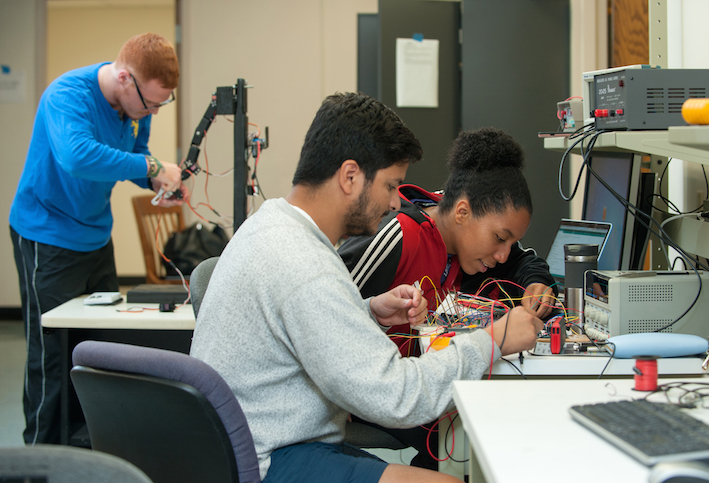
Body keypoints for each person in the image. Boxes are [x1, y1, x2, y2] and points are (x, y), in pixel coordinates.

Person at [189, 92, 543, 483]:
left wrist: (368, 310)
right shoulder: (305, 264)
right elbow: (400, 398)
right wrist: (493, 339)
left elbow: (305, 324)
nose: (395, 203)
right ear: (350, 176)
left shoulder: (272, 225)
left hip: (251, 443)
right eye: (391, 186)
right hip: (268, 460)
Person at [337, 127, 557, 469]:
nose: (502, 255)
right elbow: (330, 310)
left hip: (413, 387)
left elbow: (522, 259)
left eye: (509, 243)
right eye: (500, 238)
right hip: (371, 397)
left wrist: (537, 282)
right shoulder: (398, 235)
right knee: (463, 443)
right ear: (462, 213)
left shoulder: (458, 234)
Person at [9, 32, 184, 445]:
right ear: (125, 78)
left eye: (162, 103)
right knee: (52, 357)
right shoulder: (66, 95)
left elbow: (134, 159)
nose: (154, 111)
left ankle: (90, 449)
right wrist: (152, 164)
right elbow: (78, 156)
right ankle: (42, 459)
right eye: (151, 102)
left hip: (94, 237)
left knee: (97, 347)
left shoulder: (136, 106)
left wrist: (155, 182)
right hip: (47, 236)